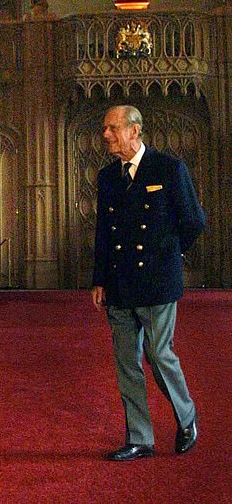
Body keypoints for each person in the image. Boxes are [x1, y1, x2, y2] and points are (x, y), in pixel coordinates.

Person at [92, 105, 206, 461]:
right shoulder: (108, 177)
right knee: (127, 363)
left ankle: (186, 416)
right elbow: (103, 234)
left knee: (158, 354)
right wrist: (99, 279)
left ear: (134, 130)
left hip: (157, 282)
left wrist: (168, 256)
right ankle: (140, 437)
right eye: (105, 129)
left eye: (113, 129)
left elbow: (193, 221)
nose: (106, 135)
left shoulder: (168, 168)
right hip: (119, 284)